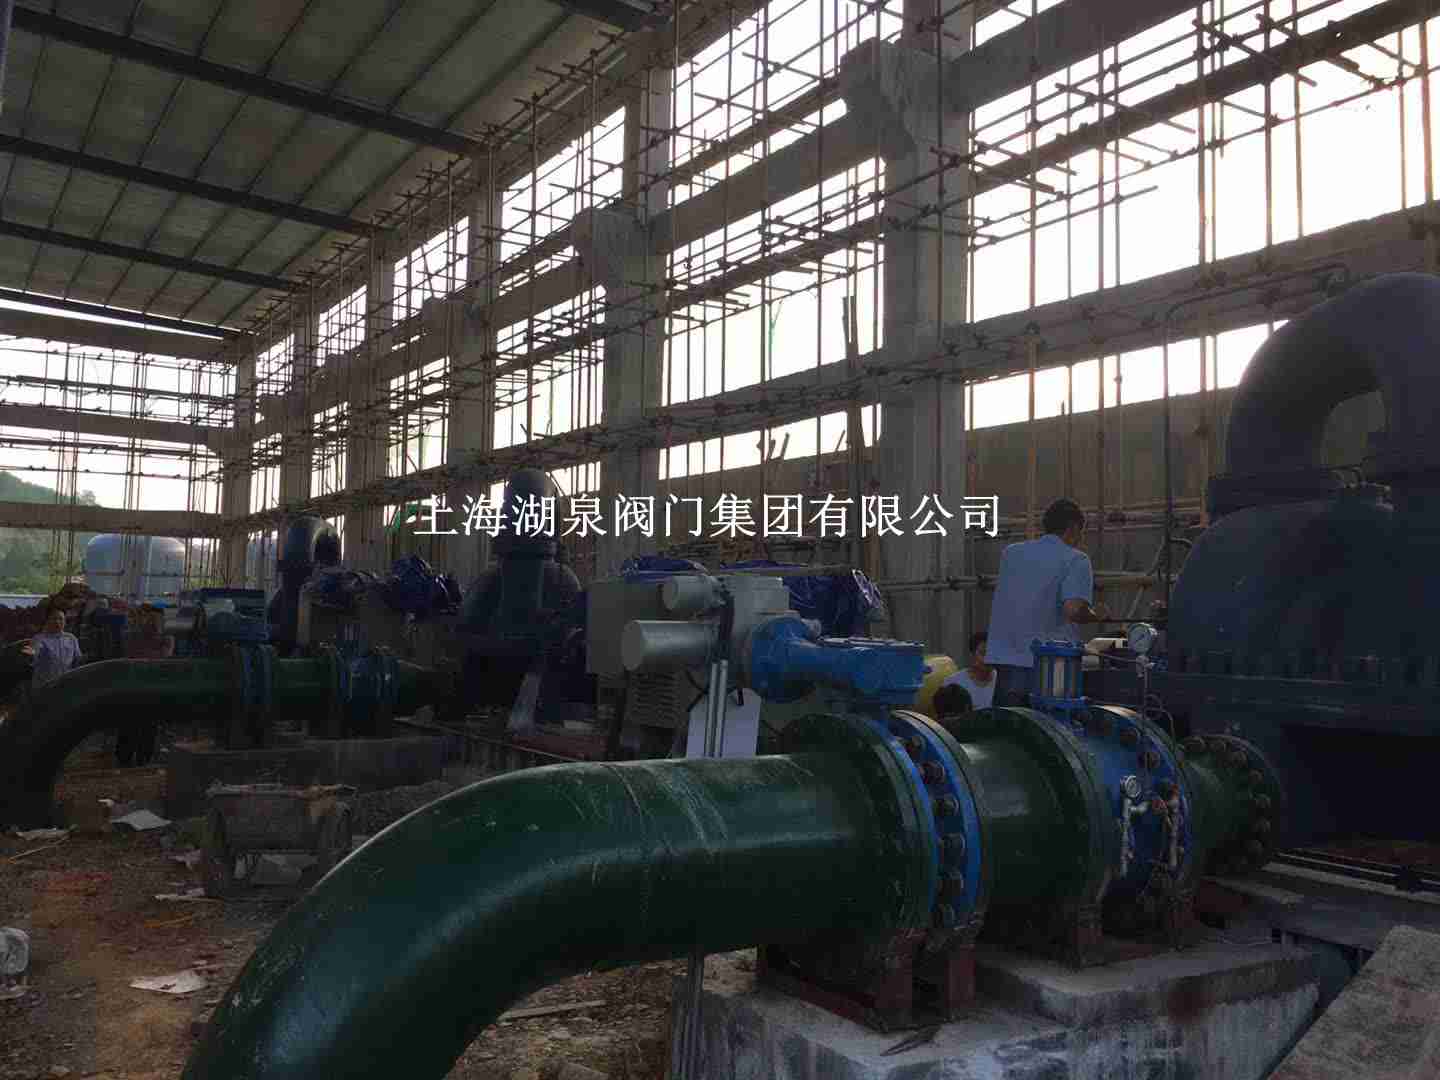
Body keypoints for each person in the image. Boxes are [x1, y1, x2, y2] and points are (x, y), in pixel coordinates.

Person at [986, 498, 1108, 706]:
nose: (1080, 539)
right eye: (1081, 532)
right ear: (1073, 528)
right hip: (1050, 665)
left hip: (1007, 661)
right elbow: (1073, 610)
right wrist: (1097, 615)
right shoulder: (1075, 559)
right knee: (1049, 725)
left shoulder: (1011, 553)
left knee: (1006, 724)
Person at [25, 609, 82, 690]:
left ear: (65, 622)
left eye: (61, 619)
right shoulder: (39, 639)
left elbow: (77, 659)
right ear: (47, 621)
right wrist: (32, 654)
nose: (57, 622)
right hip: (45, 685)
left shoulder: (71, 638)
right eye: (54, 619)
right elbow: (34, 654)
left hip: (65, 683)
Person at [942, 631, 996, 711]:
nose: (988, 659)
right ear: (972, 654)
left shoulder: (1003, 682)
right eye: (983, 653)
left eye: (992, 654)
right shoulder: (954, 682)